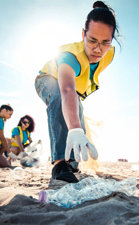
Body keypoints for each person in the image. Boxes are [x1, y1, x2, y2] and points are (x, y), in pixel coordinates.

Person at [35, 1, 120, 183]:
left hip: (74, 90)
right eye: (92, 41)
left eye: (105, 42)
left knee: (78, 117)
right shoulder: (70, 56)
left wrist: (77, 126)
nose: (98, 49)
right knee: (61, 103)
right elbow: (66, 90)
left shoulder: (110, 54)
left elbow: (74, 94)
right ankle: (59, 164)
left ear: (112, 40)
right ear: (83, 34)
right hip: (49, 80)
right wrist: (73, 129)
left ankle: (72, 163)